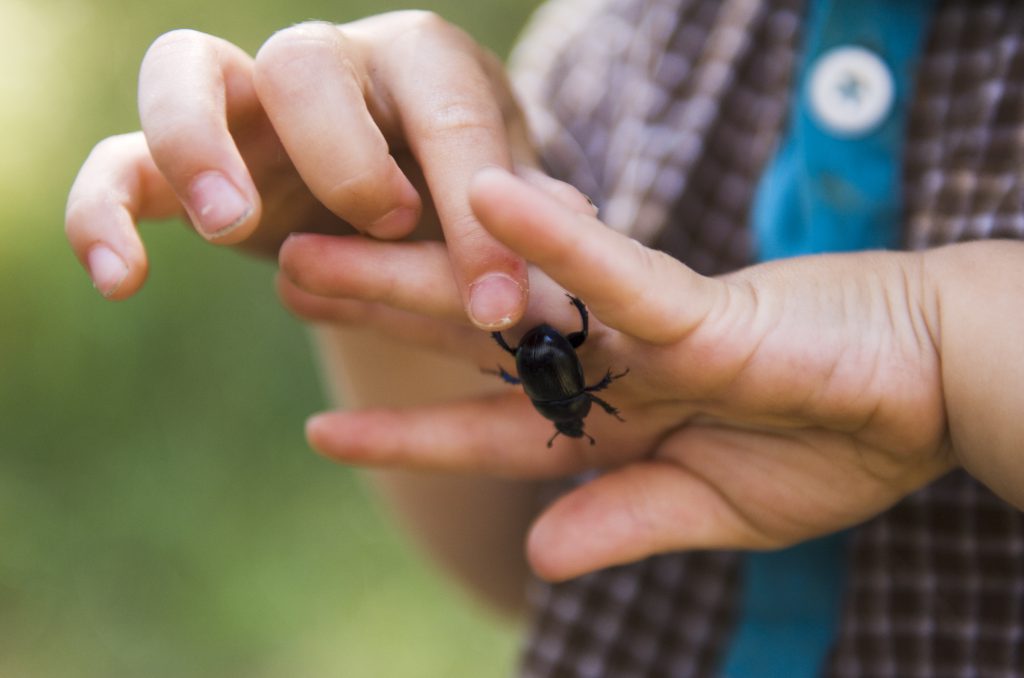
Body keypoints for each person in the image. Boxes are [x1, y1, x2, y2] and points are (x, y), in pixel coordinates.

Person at [66, 0, 1024, 675]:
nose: (575, 422)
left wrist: (936, 337)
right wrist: (411, 231)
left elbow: (558, 374)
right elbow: (516, 550)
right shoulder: (623, 36)